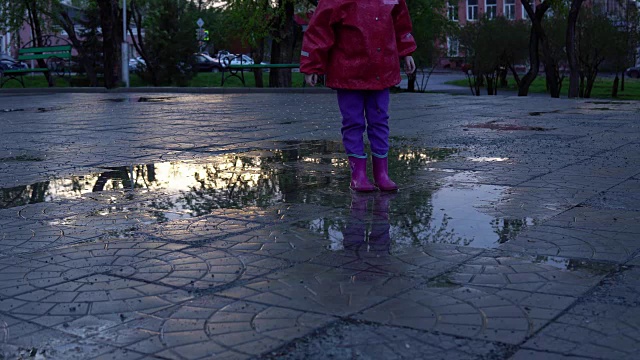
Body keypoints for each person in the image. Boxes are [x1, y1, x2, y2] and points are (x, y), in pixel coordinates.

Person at [300, 0, 417, 192]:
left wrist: (407, 52)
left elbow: (400, 22)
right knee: (353, 122)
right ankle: (358, 175)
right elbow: (319, 29)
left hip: (380, 69)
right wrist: (311, 64)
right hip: (348, 72)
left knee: (379, 120)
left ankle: (382, 174)